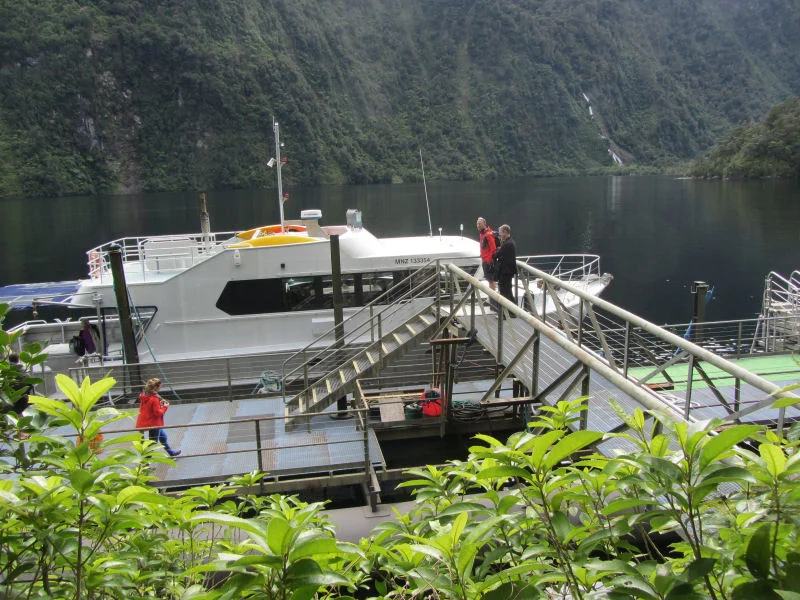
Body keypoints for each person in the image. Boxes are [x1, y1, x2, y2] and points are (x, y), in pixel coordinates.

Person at [136, 378, 181, 456]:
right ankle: (146, 463)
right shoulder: (154, 398)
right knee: (152, 444)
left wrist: (160, 404)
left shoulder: (144, 396)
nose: (160, 388)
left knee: (163, 437)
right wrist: (165, 407)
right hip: (153, 423)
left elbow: (150, 408)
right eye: (160, 386)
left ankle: (171, 453)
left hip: (145, 421)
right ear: (156, 387)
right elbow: (158, 413)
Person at [493, 224, 517, 316]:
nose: (499, 235)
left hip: (506, 271)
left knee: (504, 292)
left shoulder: (508, 244)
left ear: (505, 232)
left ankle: (505, 313)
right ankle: (513, 312)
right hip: (508, 271)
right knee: (508, 292)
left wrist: (493, 253)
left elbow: (497, 255)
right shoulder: (510, 242)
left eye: (500, 233)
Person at [476, 217, 498, 290]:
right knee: (489, 280)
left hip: (488, 261)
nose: (478, 225)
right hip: (484, 260)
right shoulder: (482, 234)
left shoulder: (488, 234)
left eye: (480, 224)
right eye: (477, 224)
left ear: (484, 224)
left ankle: (492, 298)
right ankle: (492, 297)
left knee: (491, 280)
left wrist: (489, 260)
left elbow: (493, 249)